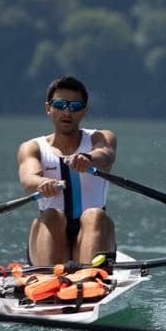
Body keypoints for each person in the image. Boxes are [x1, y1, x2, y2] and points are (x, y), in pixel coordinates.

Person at [17, 76, 117, 265]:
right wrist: (42, 183)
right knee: (52, 215)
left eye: (75, 106)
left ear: (84, 111)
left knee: (94, 215)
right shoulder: (32, 147)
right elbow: (29, 180)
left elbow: (105, 155)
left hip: (94, 231)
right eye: (60, 104)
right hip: (50, 233)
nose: (67, 112)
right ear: (48, 108)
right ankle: (50, 275)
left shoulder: (100, 137)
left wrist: (88, 158)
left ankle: (89, 275)